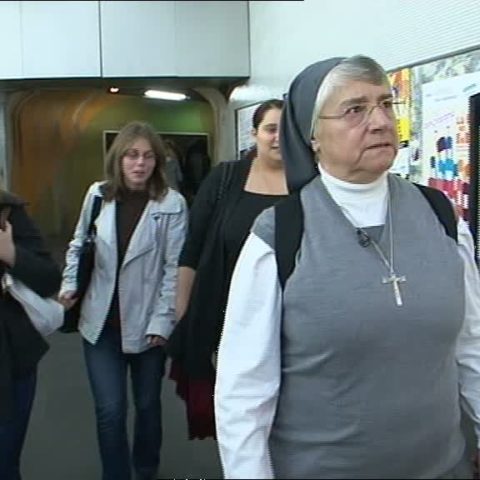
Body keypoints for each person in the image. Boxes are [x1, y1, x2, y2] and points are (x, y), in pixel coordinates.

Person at [215, 55, 480, 479]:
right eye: (355, 109)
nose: (379, 121)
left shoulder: (442, 217)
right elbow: (244, 393)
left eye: (386, 104)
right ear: (312, 135)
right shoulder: (279, 236)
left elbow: (473, 347)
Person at [59, 121, 188, 480]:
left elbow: (174, 268)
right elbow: (77, 243)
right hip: (100, 325)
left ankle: (146, 469)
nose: (139, 164)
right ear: (119, 160)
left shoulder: (171, 204)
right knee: (110, 411)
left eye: (148, 156)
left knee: (147, 407)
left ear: (157, 162)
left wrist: (163, 321)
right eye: (132, 155)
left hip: (148, 326)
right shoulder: (98, 195)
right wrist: (70, 284)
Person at [167, 99, 287, 440]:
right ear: (255, 134)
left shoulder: (310, 183)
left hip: (290, 324)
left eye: (285, 129)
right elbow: (192, 248)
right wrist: (184, 315)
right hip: (226, 323)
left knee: (286, 424)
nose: (278, 137)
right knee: (240, 422)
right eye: (270, 129)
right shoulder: (225, 178)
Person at [0, 189, 61, 480]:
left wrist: (11, 254)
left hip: (11, 363)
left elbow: (49, 279)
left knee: (5, 463)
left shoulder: (7, 212)